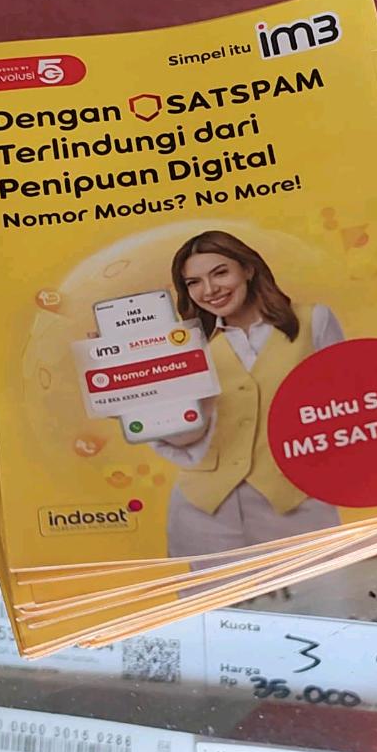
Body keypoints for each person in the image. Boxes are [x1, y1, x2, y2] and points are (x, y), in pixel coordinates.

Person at [157, 229, 345, 559]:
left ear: (248, 269)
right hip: (204, 512)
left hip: (297, 503)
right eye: (194, 282)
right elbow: (180, 434)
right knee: (212, 595)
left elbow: (344, 406)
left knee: (320, 588)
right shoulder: (185, 345)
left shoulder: (313, 321)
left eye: (220, 273)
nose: (209, 290)